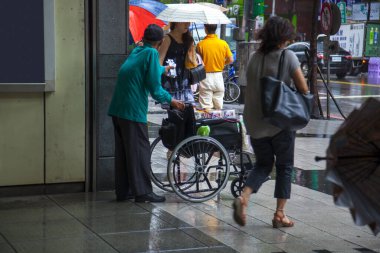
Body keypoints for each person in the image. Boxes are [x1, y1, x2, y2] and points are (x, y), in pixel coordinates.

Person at [232, 16, 309, 227]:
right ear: (284, 37)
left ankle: (244, 197)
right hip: (279, 122)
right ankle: (279, 214)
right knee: (284, 166)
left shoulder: (255, 57)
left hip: (254, 122)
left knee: (263, 164)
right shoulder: (288, 56)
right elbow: (303, 89)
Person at [108, 24, 184, 203]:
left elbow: (144, 70)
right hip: (132, 111)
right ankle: (143, 192)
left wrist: (163, 69)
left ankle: (124, 191)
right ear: (161, 41)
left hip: (118, 109)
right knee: (140, 151)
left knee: (125, 152)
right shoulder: (151, 54)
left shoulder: (138, 51)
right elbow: (154, 88)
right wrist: (171, 100)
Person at [196, 24, 234, 110]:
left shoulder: (200, 44)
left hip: (205, 77)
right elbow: (231, 60)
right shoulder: (223, 43)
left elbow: (197, 61)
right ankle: (218, 122)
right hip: (219, 77)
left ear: (205, 29)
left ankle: (208, 122)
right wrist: (222, 63)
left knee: (206, 107)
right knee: (218, 106)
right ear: (215, 29)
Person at [158, 22, 195, 104]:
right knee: (173, 112)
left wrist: (191, 47)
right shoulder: (167, 38)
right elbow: (160, 60)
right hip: (170, 81)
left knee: (188, 111)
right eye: (185, 22)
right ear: (176, 23)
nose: (187, 25)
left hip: (185, 82)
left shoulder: (188, 39)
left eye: (189, 22)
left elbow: (192, 61)